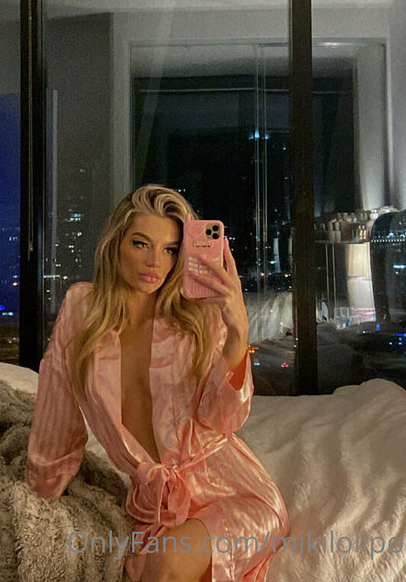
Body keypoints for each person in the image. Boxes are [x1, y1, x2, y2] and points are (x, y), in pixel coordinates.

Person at [26, 184, 289, 581]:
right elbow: (57, 411)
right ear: (115, 244)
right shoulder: (82, 309)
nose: (155, 262)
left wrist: (237, 334)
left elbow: (224, 420)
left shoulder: (199, 315)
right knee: (150, 565)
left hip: (234, 495)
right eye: (140, 243)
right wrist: (38, 500)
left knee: (166, 564)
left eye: (170, 249)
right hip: (153, 509)